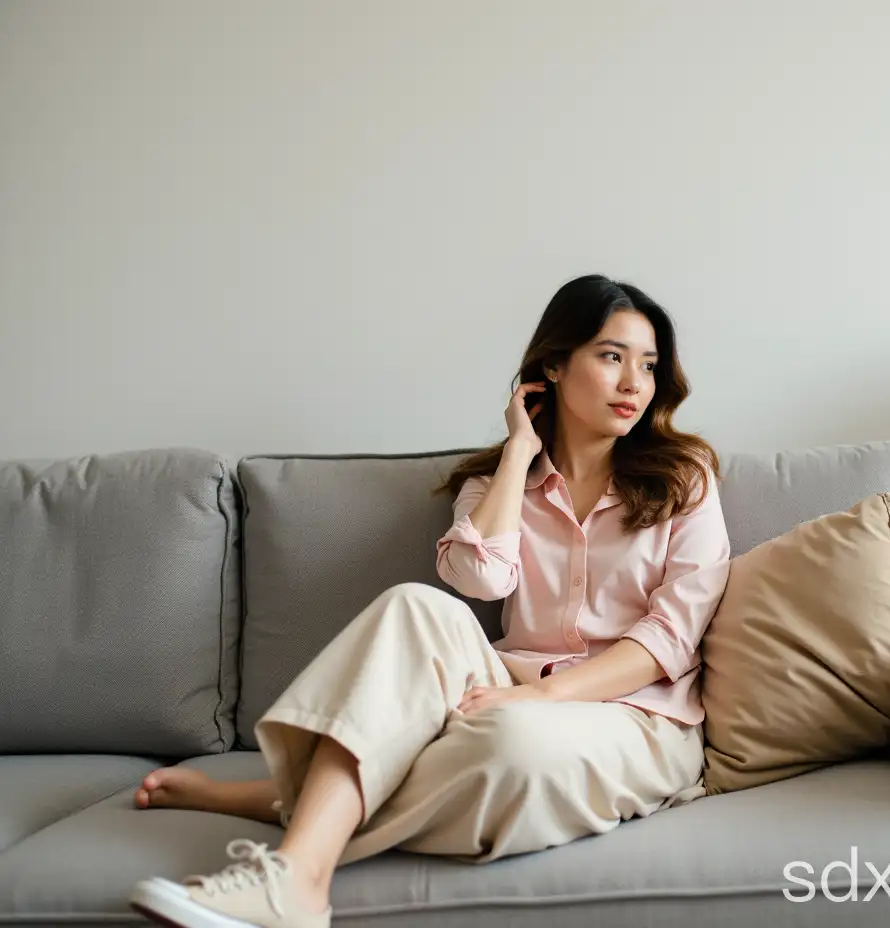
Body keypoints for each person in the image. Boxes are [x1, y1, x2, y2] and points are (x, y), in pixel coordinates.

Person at [127, 274, 732, 928]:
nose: (633, 384)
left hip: (637, 717)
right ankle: (296, 881)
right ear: (553, 365)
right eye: (611, 357)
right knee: (416, 607)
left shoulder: (684, 478)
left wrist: (545, 697)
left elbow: (672, 636)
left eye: (647, 366)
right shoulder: (493, 485)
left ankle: (281, 797)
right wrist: (518, 456)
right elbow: (479, 580)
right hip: (508, 685)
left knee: (512, 745)